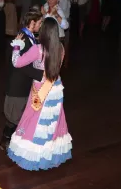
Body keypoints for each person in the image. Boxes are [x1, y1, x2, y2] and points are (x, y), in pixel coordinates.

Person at [7, 17, 72, 171]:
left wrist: (17, 46)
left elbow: (16, 62)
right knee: (53, 120)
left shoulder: (38, 49)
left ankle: (34, 154)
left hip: (40, 88)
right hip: (55, 88)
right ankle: (51, 152)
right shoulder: (61, 48)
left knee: (34, 119)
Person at [0, 10, 44, 150]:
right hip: (17, 85)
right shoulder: (23, 39)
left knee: (17, 115)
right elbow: (20, 65)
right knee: (14, 116)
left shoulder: (28, 37)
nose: (41, 25)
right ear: (32, 23)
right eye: (39, 22)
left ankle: (9, 142)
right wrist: (41, 74)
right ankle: (6, 142)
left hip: (22, 84)